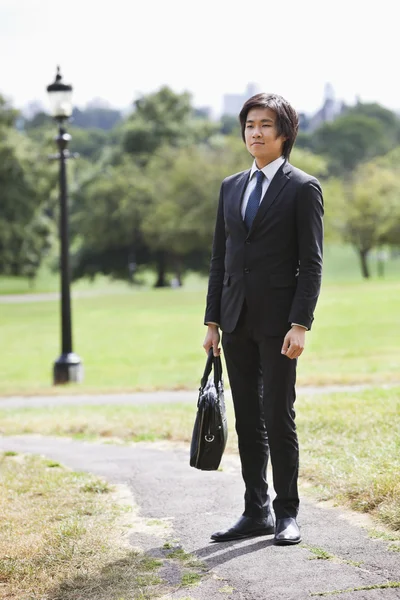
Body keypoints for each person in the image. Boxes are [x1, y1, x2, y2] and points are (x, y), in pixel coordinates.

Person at [203, 93, 324, 545]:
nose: (255, 132)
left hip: (279, 325)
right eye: (250, 124)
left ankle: (286, 513)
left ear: (284, 133)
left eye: (265, 125)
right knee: (248, 418)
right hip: (234, 320)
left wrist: (301, 323)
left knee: (278, 414)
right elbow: (221, 258)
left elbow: (311, 264)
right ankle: (255, 511)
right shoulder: (230, 186)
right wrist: (212, 321)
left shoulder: (302, 187)